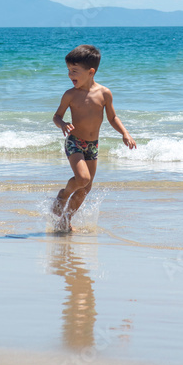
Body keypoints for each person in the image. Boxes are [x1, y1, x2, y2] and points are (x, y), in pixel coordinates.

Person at [51, 44, 135, 231]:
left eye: (74, 71)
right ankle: (63, 194)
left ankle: (65, 221)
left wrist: (125, 133)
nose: (70, 75)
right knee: (82, 179)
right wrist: (63, 124)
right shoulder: (70, 95)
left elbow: (112, 117)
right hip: (75, 141)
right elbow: (56, 116)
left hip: (93, 145)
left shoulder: (104, 93)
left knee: (86, 188)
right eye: (68, 71)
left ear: (91, 72)